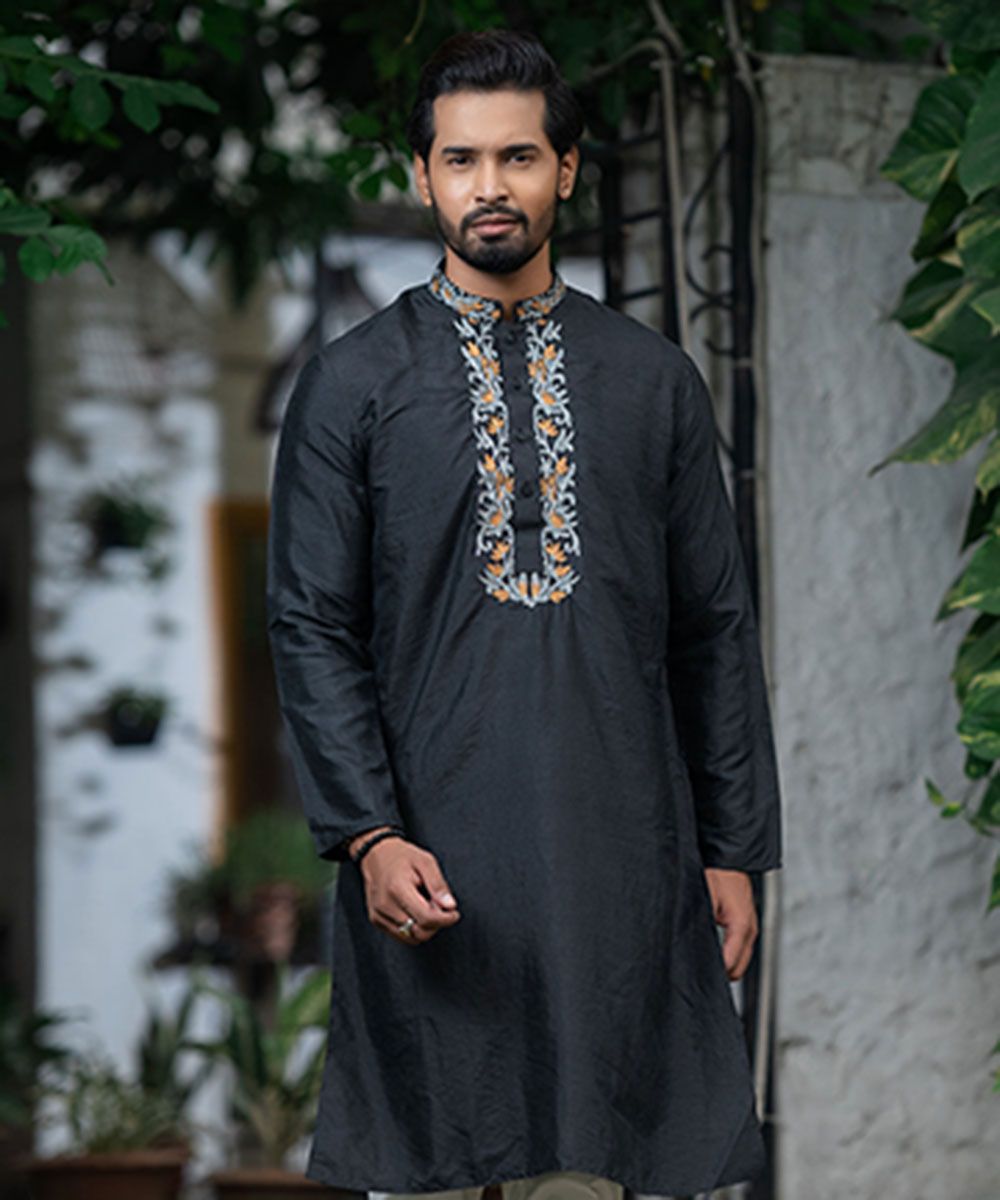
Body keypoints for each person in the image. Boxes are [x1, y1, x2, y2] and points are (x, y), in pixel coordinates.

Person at [266, 28, 783, 1200]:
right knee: (448, 1156)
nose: (488, 186)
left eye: (517, 157)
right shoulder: (352, 385)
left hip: (620, 859)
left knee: (595, 1165)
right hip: (433, 861)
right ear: (422, 176)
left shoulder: (650, 381)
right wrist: (367, 833)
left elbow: (711, 625)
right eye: (460, 159)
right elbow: (310, 625)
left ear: (567, 169)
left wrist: (732, 849)